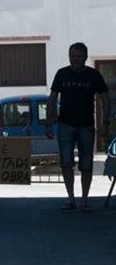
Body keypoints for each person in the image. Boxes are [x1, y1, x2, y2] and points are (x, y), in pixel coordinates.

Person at [45, 42, 111, 211]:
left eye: (78, 56)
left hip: (86, 126)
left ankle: (84, 200)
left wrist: (104, 123)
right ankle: (70, 198)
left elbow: (105, 98)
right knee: (66, 163)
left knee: (87, 164)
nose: (74, 59)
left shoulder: (93, 75)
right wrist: (48, 124)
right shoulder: (62, 73)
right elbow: (52, 98)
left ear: (85, 57)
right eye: (72, 56)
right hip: (65, 125)